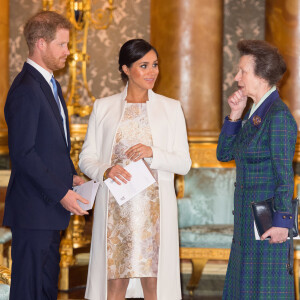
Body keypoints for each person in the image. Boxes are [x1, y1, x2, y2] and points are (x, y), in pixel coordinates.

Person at [79, 39, 191, 300]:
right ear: (126, 69)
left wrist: (153, 152)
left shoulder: (171, 108)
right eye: (144, 65)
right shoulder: (103, 107)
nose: (152, 71)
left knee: (154, 283)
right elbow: (87, 157)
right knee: (114, 280)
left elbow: (184, 164)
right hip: (115, 210)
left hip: (154, 210)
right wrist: (106, 170)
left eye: (154, 64)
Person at [4, 11, 89, 300]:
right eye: (62, 45)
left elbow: (53, 145)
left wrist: (71, 175)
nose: (69, 51)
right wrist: (61, 193)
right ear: (41, 44)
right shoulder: (27, 89)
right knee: (29, 293)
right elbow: (23, 154)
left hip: (47, 212)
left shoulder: (49, 84)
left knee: (45, 292)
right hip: (33, 212)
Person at [217, 40, 297, 299]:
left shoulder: (278, 116)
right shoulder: (255, 112)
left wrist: (282, 222)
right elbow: (224, 154)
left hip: (267, 226)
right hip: (246, 225)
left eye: (243, 71)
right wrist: (235, 115)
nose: (236, 76)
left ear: (261, 76)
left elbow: (285, 174)